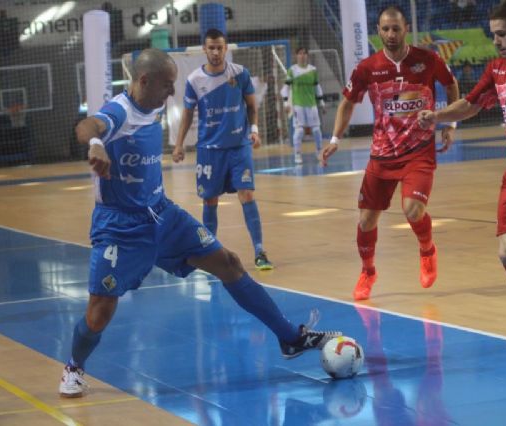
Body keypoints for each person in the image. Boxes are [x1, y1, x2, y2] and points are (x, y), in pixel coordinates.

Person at [59, 48, 342, 397]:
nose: (171, 93)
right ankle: (74, 365)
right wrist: (97, 143)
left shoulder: (155, 104)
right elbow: (88, 125)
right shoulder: (120, 110)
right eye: (167, 85)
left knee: (229, 263)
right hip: (120, 226)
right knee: (100, 313)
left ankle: (290, 337)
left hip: (162, 214)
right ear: (144, 81)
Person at [418, 0, 506, 345]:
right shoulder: (497, 70)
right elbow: (471, 104)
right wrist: (437, 116)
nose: (496, 41)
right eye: (493, 35)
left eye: (502, 34)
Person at [320, 5, 460, 301]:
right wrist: (335, 138)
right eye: (385, 29)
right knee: (366, 221)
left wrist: (449, 122)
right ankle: (368, 272)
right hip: (382, 156)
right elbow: (347, 103)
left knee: (412, 210)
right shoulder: (367, 68)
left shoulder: (428, 60)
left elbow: (451, 85)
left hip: (419, 153)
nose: (391, 34)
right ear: (379, 31)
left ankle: (427, 249)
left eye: (396, 28)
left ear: (406, 28)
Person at [172, 28, 274, 271]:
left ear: (226, 48)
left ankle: (260, 250)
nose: (216, 52)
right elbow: (187, 114)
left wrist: (255, 130)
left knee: (247, 194)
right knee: (210, 201)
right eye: (211, 48)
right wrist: (178, 145)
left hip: (239, 147)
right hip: (209, 150)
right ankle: (210, 254)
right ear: (204, 49)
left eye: (220, 47)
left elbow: (251, 106)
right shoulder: (195, 80)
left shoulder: (240, 74)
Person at [280, 46, 326, 164]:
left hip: (311, 104)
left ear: (307, 55)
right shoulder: (292, 70)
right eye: (300, 53)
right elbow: (285, 88)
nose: (302, 55)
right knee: (299, 131)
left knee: (316, 130)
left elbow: (317, 87)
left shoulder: (313, 70)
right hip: (298, 106)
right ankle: (297, 155)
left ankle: (319, 152)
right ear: (296, 56)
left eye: (304, 53)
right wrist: (286, 103)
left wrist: (321, 102)